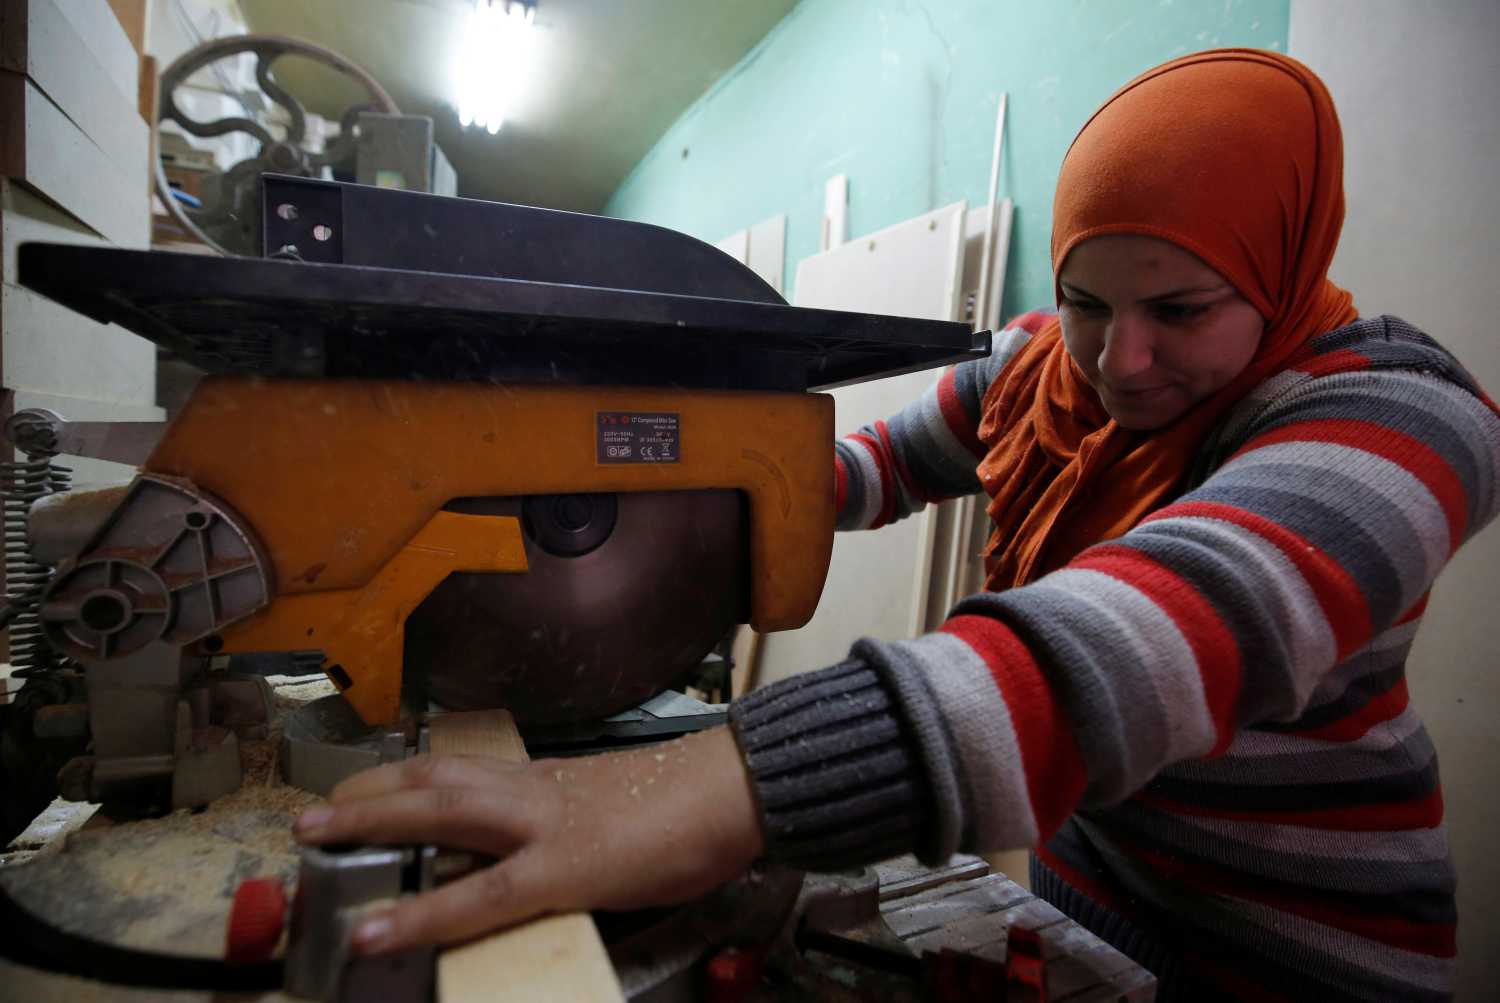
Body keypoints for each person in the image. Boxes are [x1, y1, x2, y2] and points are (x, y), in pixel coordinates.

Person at [292, 49, 1500, 1000]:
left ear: (1285, 263)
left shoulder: (1397, 421)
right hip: (1090, 893)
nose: (1121, 359)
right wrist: (626, 497)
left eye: (1180, 309)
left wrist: (730, 782)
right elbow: (861, 471)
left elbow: (1161, 626)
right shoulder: (1039, 370)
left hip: (1301, 956)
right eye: (1086, 299)